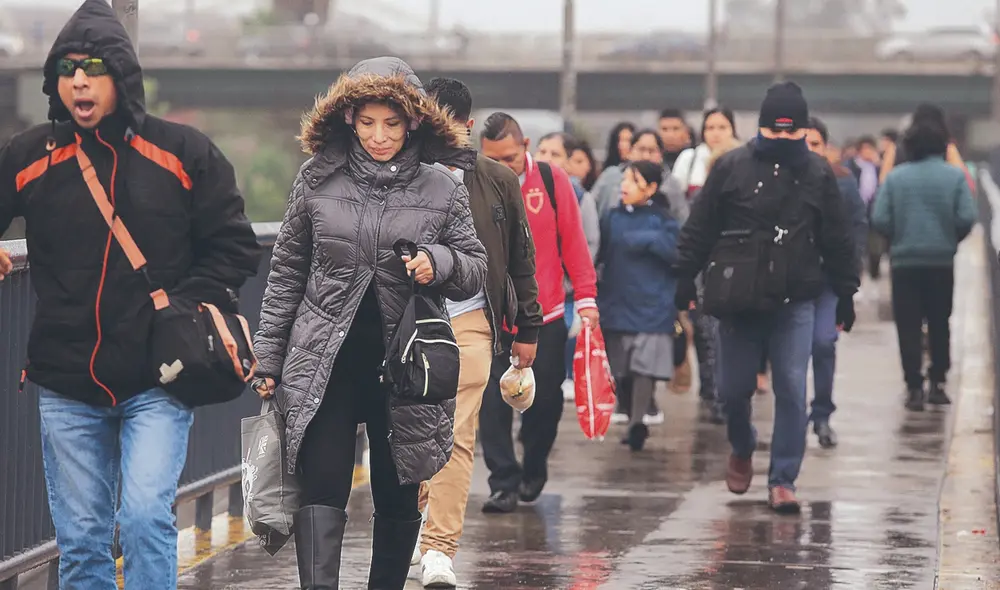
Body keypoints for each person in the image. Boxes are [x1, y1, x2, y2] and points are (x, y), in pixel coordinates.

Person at [0, 1, 262, 588]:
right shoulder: (30, 157)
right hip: (67, 382)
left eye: (93, 68)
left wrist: (183, 306)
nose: (79, 81)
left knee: (145, 518)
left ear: (122, 74)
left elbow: (235, 246)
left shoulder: (181, 151)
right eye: (67, 70)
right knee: (83, 541)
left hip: (157, 375)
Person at [252, 57, 487, 590]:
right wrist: (268, 356)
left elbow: (474, 268)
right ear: (348, 120)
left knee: (398, 488)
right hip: (323, 364)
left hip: (405, 368)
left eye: (392, 124)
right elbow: (285, 274)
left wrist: (438, 262)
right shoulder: (316, 179)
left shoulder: (441, 188)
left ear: (413, 124)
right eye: (367, 123)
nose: (379, 136)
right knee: (323, 487)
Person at [675, 81, 859, 513]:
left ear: (802, 130)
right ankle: (742, 444)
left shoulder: (818, 174)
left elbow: (837, 237)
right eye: (771, 133)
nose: (780, 142)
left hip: (796, 298)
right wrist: (684, 277)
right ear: (759, 128)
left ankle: (783, 479)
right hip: (738, 298)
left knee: (792, 387)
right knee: (732, 389)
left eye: (789, 134)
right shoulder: (731, 167)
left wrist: (846, 292)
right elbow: (700, 227)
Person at [412, 77, 543, 588]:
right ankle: (418, 523)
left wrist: (526, 328)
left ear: (466, 126)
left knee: (458, 433)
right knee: (410, 433)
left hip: (470, 319)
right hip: (409, 321)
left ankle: (439, 547)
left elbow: (520, 259)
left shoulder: (495, 180)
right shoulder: (398, 178)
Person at [479, 112, 598, 514]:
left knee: (543, 403)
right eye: (493, 160)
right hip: (491, 318)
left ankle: (534, 464)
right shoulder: (476, 183)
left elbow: (573, 243)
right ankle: (503, 482)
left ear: (525, 147)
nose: (502, 168)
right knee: (492, 405)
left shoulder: (551, 181)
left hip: (544, 316)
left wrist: (586, 298)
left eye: (509, 158)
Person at [871, 119, 976, 412]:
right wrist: (950, 239)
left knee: (908, 326)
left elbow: (879, 218)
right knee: (940, 322)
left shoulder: (895, 178)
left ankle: (914, 386)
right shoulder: (954, 178)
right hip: (941, 262)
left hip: (904, 263)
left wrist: (897, 236)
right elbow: (967, 216)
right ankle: (938, 382)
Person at [597, 160, 680, 451]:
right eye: (624, 180)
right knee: (622, 366)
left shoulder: (664, 220)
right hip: (617, 301)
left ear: (651, 187)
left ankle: (636, 422)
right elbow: (598, 254)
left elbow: (678, 255)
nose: (624, 186)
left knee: (644, 366)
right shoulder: (610, 218)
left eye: (633, 180)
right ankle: (631, 411)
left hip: (653, 304)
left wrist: (649, 240)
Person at [805, 116, 868, 448]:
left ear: (826, 148)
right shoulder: (781, 179)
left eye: (815, 144)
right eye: (803, 143)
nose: (809, 151)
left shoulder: (843, 182)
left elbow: (857, 227)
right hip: (790, 280)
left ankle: (822, 414)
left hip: (829, 280)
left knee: (823, 343)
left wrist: (850, 273)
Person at [671, 106, 739, 199]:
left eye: (722, 127)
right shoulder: (688, 157)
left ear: (732, 130)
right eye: (710, 128)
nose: (716, 133)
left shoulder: (742, 159)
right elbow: (675, 198)